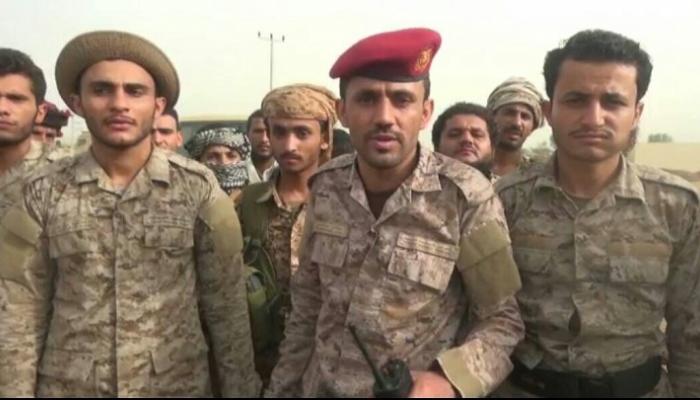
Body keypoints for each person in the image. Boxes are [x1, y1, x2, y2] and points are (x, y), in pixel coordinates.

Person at [266, 27, 524, 398]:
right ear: (342, 112)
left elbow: (502, 320)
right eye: (367, 99)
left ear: (425, 112)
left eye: (402, 100)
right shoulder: (325, 187)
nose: (384, 117)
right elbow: (307, 308)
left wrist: (447, 380)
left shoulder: (466, 197)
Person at [0, 30, 260, 397]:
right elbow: (19, 311)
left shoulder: (198, 189)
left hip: (174, 387)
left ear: (158, 106)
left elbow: (227, 307)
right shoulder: (40, 191)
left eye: (135, 91)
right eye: (101, 90)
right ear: (77, 102)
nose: (118, 104)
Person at [495, 29, 700, 397]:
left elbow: (691, 333)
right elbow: (483, 317)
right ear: (549, 112)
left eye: (613, 102)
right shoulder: (502, 202)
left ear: (636, 113)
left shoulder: (677, 206)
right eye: (576, 100)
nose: (593, 118)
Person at [237, 83, 336, 387]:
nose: (289, 144)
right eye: (279, 132)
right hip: (263, 362)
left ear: (324, 138)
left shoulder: (344, 204)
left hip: (328, 363)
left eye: (302, 133)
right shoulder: (245, 204)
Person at [487, 77, 545, 177]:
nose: (517, 123)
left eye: (525, 116)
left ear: (534, 126)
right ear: (492, 117)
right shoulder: (468, 168)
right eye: (509, 113)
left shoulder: (541, 176)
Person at [185, 124, 251, 203]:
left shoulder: (256, 197)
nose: (224, 163)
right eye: (213, 157)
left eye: (231, 156)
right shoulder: (185, 199)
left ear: (242, 159)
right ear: (198, 161)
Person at [432, 102, 496, 181]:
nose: (467, 139)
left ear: (492, 147)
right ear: (437, 145)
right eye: (455, 134)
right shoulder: (418, 186)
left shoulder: (504, 188)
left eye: (477, 135)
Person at [245, 109, 276, 183]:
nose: (264, 139)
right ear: (247, 135)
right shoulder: (237, 169)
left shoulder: (289, 170)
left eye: (269, 131)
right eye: (258, 132)